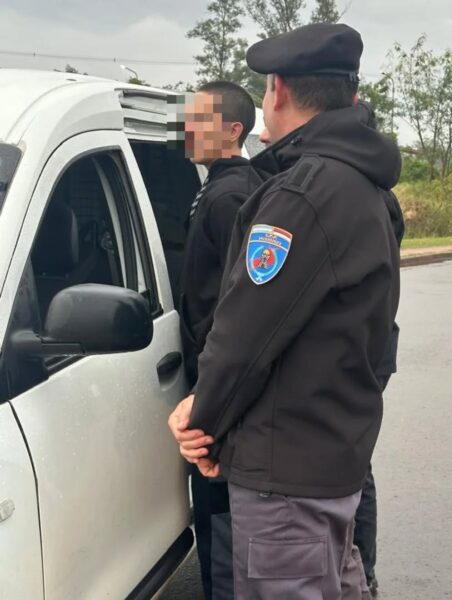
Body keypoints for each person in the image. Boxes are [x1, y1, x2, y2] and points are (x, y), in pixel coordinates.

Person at [169, 23, 401, 599]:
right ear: (350, 95)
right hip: (330, 455)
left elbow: (245, 334)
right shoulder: (367, 186)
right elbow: (378, 341)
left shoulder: (303, 194)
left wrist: (203, 421)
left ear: (277, 90)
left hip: (286, 474)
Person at [178, 81, 262, 600]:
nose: (186, 129)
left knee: (221, 511)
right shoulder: (219, 186)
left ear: (232, 130)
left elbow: (241, 301)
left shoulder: (232, 196)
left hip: (219, 382)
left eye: (198, 120)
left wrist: (211, 384)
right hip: (212, 374)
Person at [351, 100, 405, 596]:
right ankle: (360, 566)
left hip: (365, 348)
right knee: (354, 459)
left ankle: (362, 568)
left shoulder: (370, 200)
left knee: (354, 462)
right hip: (375, 342)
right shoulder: (379, 194)